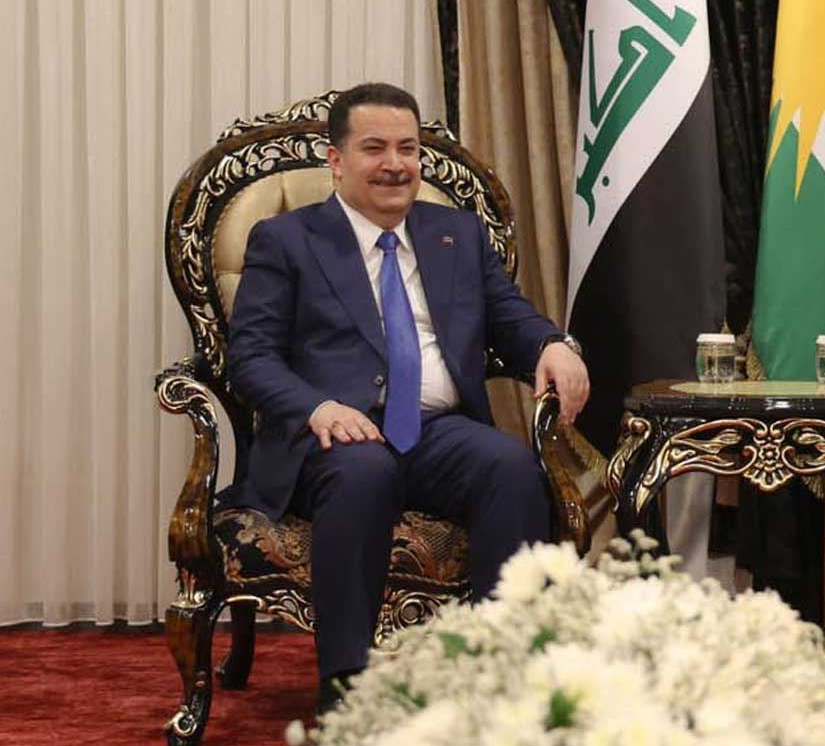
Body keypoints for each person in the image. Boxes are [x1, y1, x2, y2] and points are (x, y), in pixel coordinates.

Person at [221, 82, 589, 712]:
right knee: (363, 473)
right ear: (336, 159)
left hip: (437, 431)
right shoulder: (286, 239)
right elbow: (249, 358)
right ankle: (347, 688)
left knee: (510, 467)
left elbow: (510, 316)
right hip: (333, 437)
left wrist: (553, 344)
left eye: (408, 148)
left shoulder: (457, 233)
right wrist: (317, 408)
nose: (395, 164)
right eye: (374, 148)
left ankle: (500, 675)